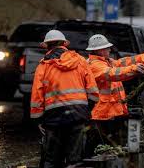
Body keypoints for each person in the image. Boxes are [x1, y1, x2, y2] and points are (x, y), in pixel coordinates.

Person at [30, 30, 99, 168]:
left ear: (47, 46)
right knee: (75, 160)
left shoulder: (43, 66)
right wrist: (87, 109)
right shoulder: (79, 60)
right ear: (64, 44)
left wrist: (38, 119)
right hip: (78, 115)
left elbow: (37, 96)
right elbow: (92, 91)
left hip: (53, 118)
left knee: (52, 159)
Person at [86, 34, 144, 147]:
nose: (109, 49)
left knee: (111, 145)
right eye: (107, 48)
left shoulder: (107, 61)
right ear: (99, 51)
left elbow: (126, 62)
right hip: (101, 115)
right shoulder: (94, 65)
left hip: (108, 113)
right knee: (99, 146)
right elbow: (113, 73)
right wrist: (133, 68)